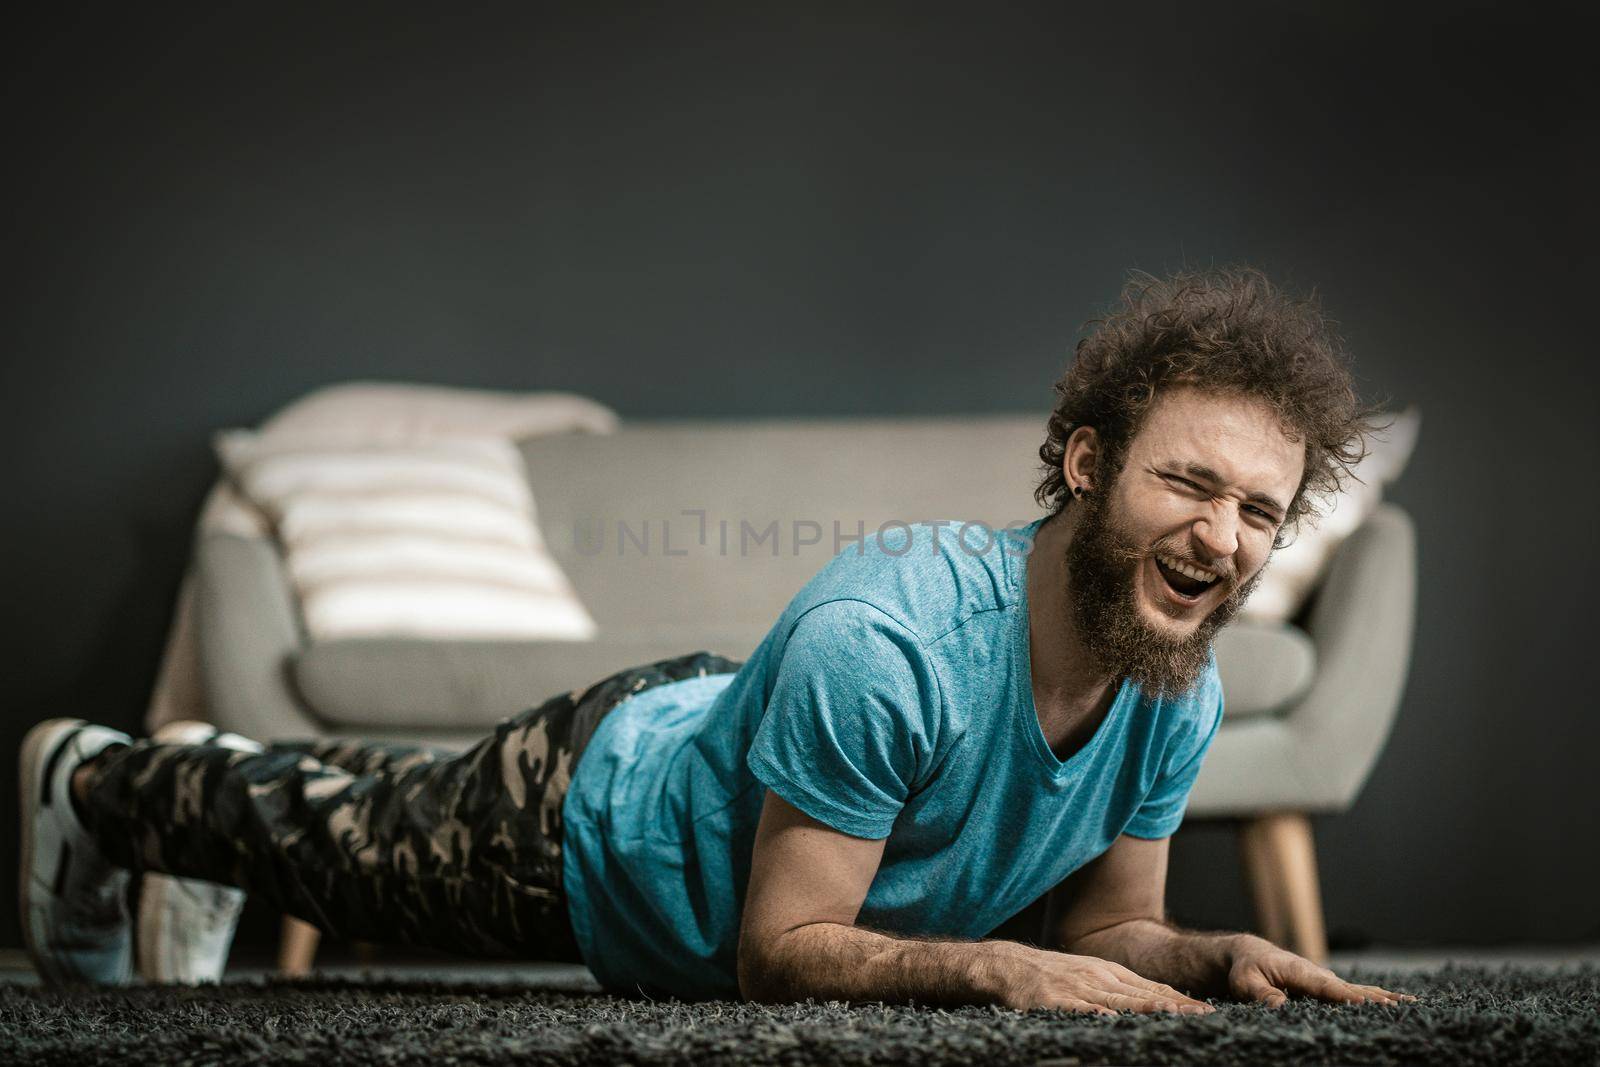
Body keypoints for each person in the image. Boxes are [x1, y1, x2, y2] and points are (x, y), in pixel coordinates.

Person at [20, 267, 1414, 1013]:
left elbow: (1112, 928)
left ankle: (213, 768)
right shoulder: (892, 641)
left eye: (1259, 512)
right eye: (1189, 484)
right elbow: (782, 951)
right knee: (344, 850)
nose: (1227, 541)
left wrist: (1202, 952)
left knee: (347, 803)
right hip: (598, 817)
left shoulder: (1175, 684)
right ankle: (90, 782)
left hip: (726, 738)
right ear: (1090, 464)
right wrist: (993, 964)